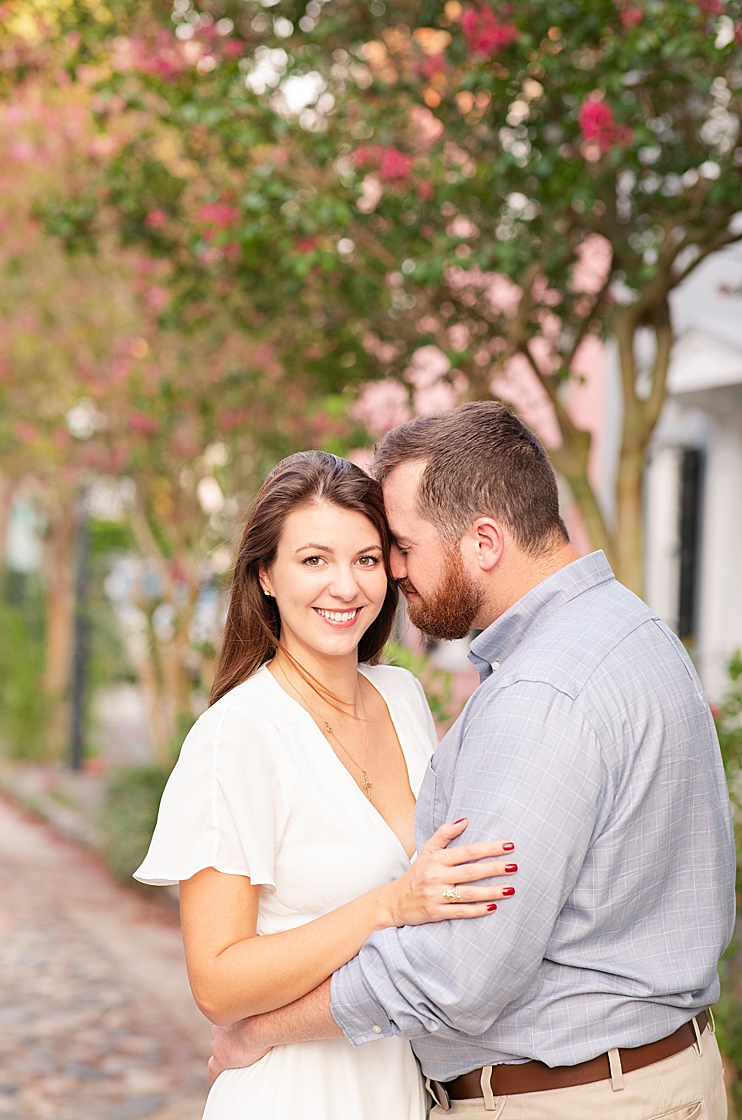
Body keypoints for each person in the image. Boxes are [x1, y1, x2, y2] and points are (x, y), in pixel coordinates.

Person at [211, 402, 734, 1118]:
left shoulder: (538, 693)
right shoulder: (640, 631)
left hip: (572, 1100)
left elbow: (462, 970)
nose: (391, 573)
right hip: (670, 1071)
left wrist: (263, 1032)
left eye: (397, 546)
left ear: (484, 541)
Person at [134, 449, 519, 1120]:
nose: (346, 587)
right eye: (314, 560)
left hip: (399, 1083)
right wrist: (387, 905)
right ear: (266, 575)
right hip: (294, 1093)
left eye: (367, 560)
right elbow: (219, 984)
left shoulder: (401, 696)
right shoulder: (238, 736)